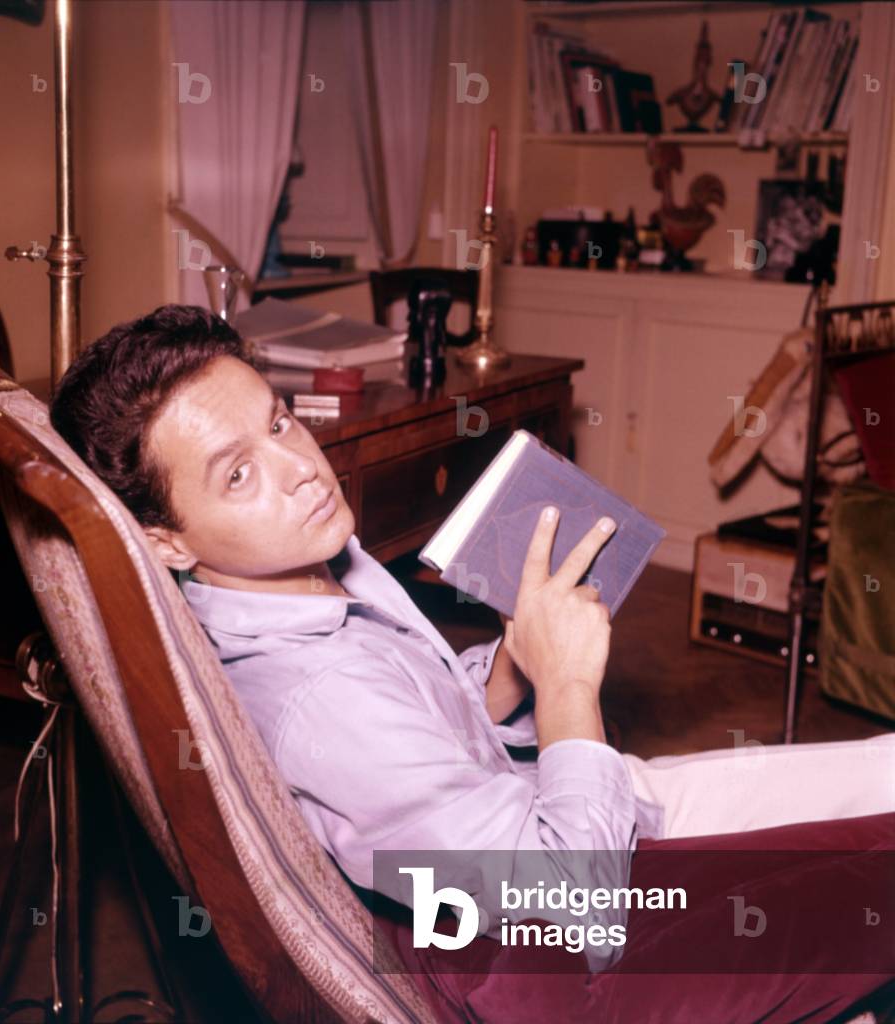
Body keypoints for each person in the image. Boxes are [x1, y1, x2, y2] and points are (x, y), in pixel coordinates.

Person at [50, 305, 894, 1014]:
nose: (301, 468)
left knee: (881, 773)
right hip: (574, 910)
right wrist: (567, 684)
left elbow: (423, 726)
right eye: (238, 476)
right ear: (163, 542)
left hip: (563, 816)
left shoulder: (301, 574)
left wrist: (511, 669)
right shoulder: (323, 699)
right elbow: (576, 910)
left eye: (279, 422)